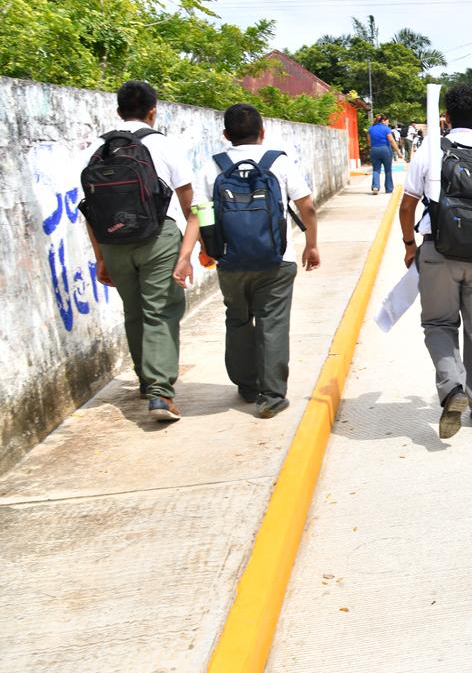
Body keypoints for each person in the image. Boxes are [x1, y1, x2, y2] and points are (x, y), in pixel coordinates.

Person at [190, 103, 320, 418]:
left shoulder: (213, 166)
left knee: (237, 320)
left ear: (226, 134)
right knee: (272, 322)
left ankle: (247, 386)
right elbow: (307, 207)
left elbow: (200, 213)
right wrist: (311, 245)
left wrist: (203, 250)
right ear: (262, 132)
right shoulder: (278, 162)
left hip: (230, 262)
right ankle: (271, 396)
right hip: (277, 260)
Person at [80, 81, 200, 421]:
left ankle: (146, 381)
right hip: (157, 238)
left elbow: (91, 210)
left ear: (119, 111)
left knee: (134, 312)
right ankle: (161, 392)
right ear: (153, 111)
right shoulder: (163, 145)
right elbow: (190, 205)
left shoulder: (98, 148)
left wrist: (101, 257)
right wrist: (189, 252)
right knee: (159, 310)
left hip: (113, 242)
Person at [400, 85, 472, 438]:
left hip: (439, 251)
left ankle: (452, 387)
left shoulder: (430, 150)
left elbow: (407, 206)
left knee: (439, 324)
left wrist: (409, 245)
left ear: (446, 118)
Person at [368, 114, 402, 194]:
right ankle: (389, 188)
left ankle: (375, 186)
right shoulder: (386, 129)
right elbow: (392, 141)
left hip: (374, 150)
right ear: (383, 120)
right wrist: (398, 151)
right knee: (388, 170)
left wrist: (372, 148)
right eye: (387, 121)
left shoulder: (371, 128)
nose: (388, 123)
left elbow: (369, 142)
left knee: (376, 169)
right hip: (385, 150)